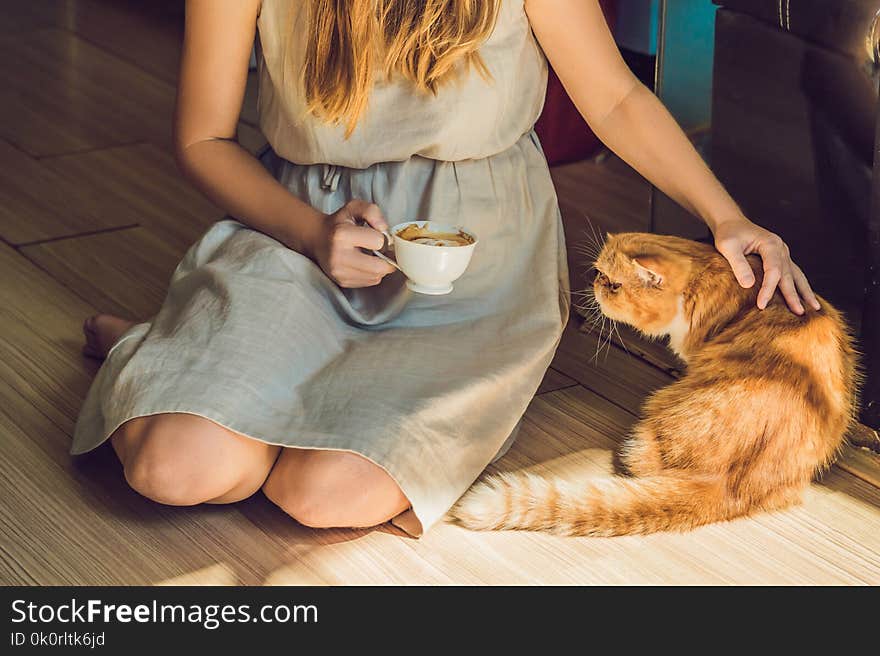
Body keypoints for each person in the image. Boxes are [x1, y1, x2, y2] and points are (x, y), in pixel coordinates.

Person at [72, 0, 818, 537]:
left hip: (475, 254)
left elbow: (616, 97)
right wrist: (310, 233)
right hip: (302, 226)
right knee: (176, 472)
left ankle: (195, 365)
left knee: (321, 493)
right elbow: (203, 139)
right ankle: (156, 352)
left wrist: (726, 217)